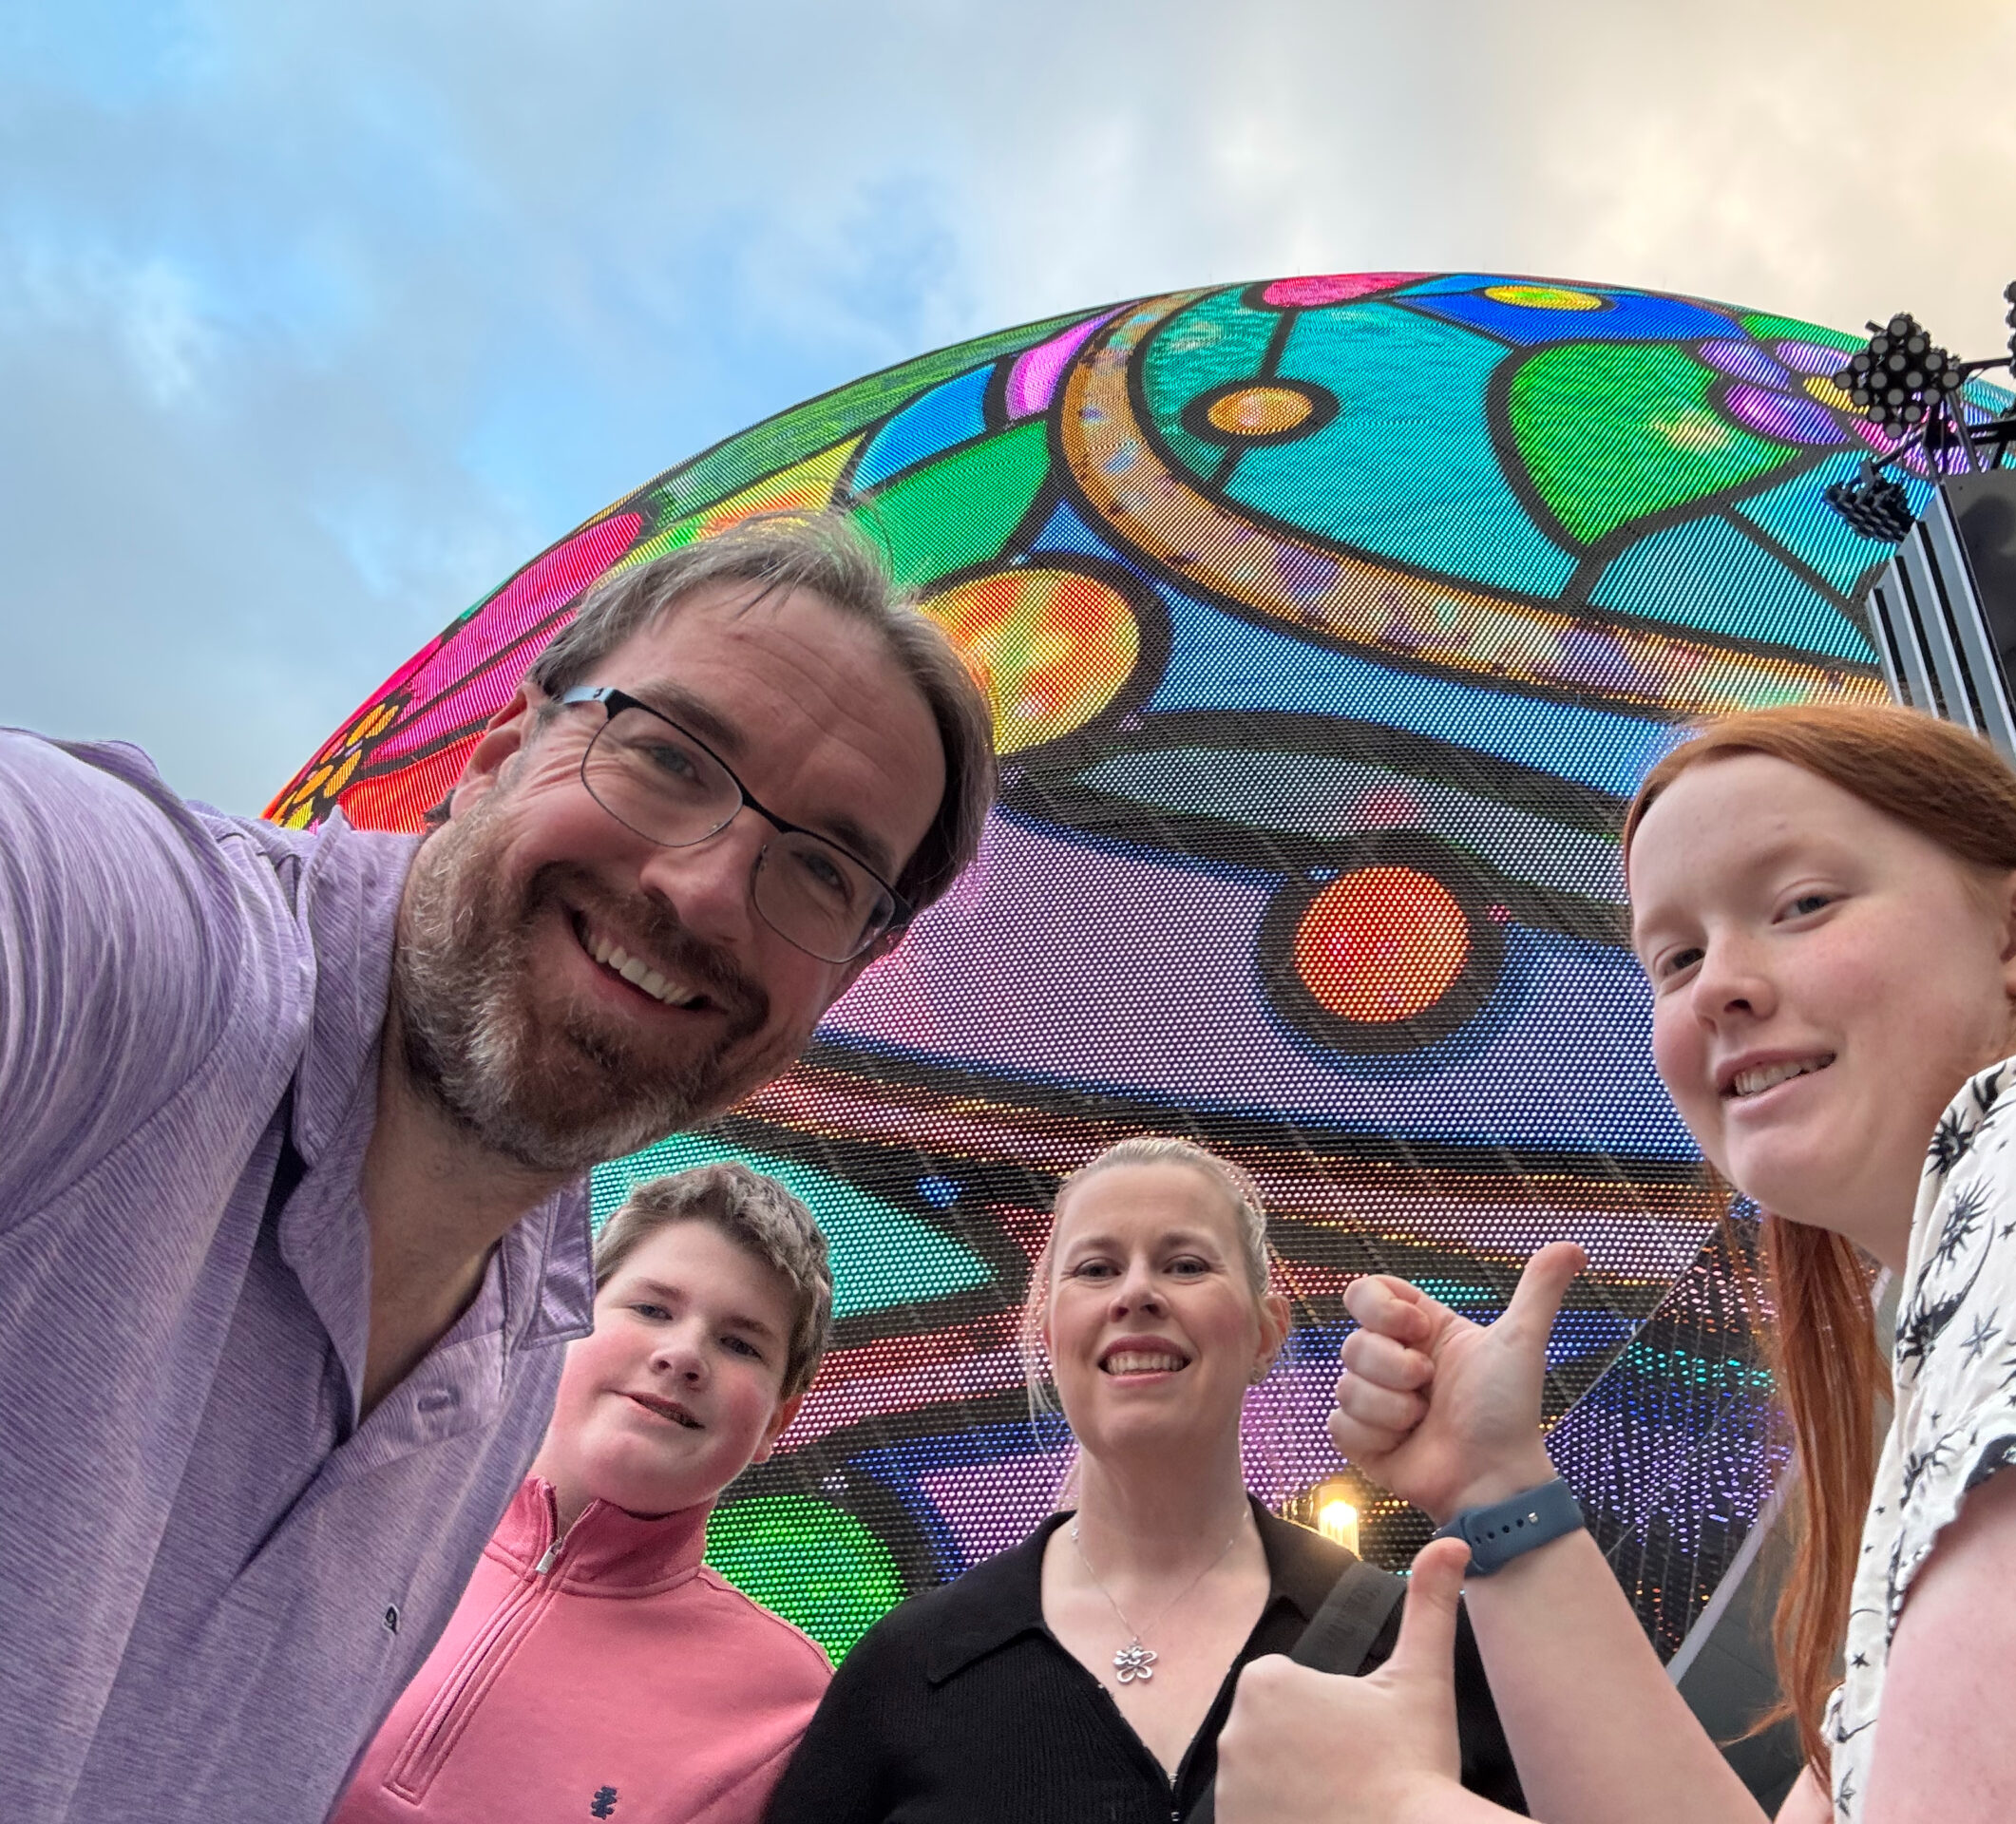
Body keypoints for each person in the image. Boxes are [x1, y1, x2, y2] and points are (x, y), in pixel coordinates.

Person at [1217, 701, 2016, 1824]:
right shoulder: (1966, 1314)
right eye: (1675, 958)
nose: (1722, 991)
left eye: (1800, 904)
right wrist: (1493, 1491)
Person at [0, 511, 995, 1824]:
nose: (704, 890)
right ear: (503, 751)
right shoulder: (140, 957)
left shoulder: (520, 1347)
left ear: (851, 977)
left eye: (820, 868)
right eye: (667, 756)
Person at [765, 1136, 1529, 1823]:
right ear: (1049, 1330)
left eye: (1186, 1265)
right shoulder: (911, 1666)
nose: (1136, 1294)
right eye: (1096, 1269)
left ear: (1267, 1333)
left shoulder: (1409, 1651)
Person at [332, 1163, 838, 1824]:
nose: (683, 1354)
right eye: (652, 1308)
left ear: (776, 1421)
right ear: (564, 1318)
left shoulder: (784, 1700)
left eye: (740, 1343)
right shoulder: (356, 1523)